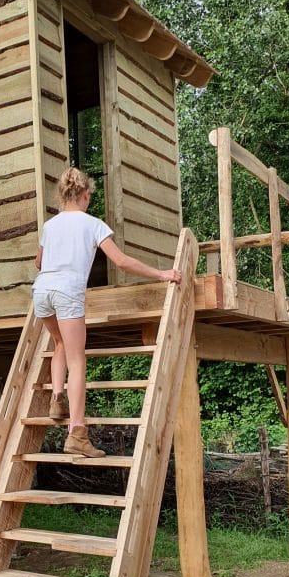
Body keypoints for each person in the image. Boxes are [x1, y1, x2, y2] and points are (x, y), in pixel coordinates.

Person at [33, 167, 182, 458]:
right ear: (86, 195)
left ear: (62, 196)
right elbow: (122, 261)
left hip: (41, 292)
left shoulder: (49, 227)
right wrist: (162, 274)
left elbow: (39, 262)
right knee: (77, 361)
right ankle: (77, 433)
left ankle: (57, 399)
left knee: (59, 344)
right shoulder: (93, 224)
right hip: (66, 292)